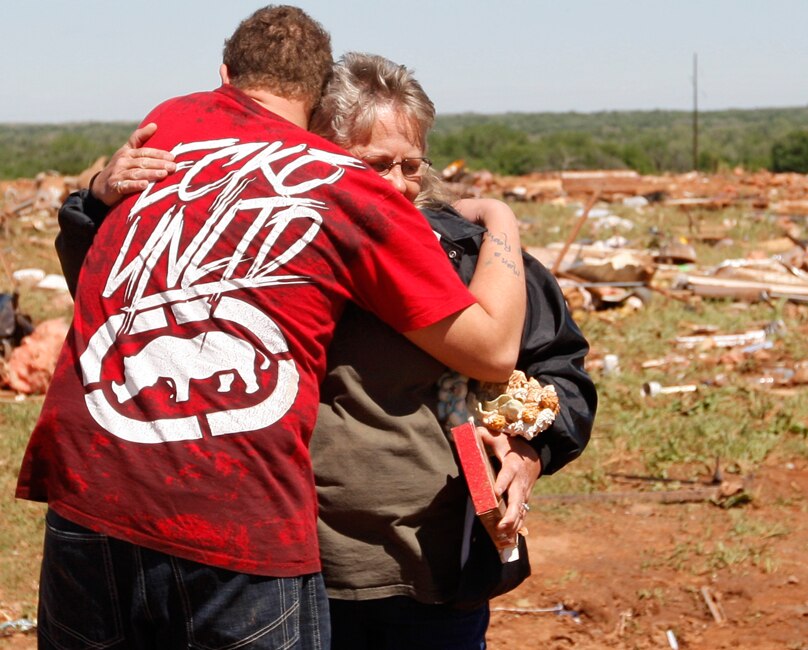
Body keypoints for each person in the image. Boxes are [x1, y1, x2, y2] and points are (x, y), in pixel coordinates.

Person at [17, 7, 526, 650]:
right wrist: (500, 219)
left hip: (88, 487)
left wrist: (92, 187)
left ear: (223, 76)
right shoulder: (343, 186)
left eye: (410, 165)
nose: (396, 182)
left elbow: (98, 257)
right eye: (382, 163)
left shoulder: (166, 126)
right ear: (318, 104)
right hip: (235, 512)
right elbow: (495, 349)